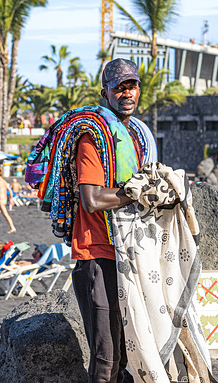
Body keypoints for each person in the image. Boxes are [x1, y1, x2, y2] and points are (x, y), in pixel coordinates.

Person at [69, 58, 156, 382]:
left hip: (126, 254)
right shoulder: (94, 139)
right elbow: (91, 200)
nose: (127, 93)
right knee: (106, 359)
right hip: (97, 256)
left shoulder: (131, 136)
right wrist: (138, 192)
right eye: (119, 87)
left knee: (122, 358)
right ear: (104, 91)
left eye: (131, 85)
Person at [0, 168, 16, 234]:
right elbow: (10, 190)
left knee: (5, 214)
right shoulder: (4, 181)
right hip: (3, 200)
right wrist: (11, 198)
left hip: (1, 200)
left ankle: (12, 227)